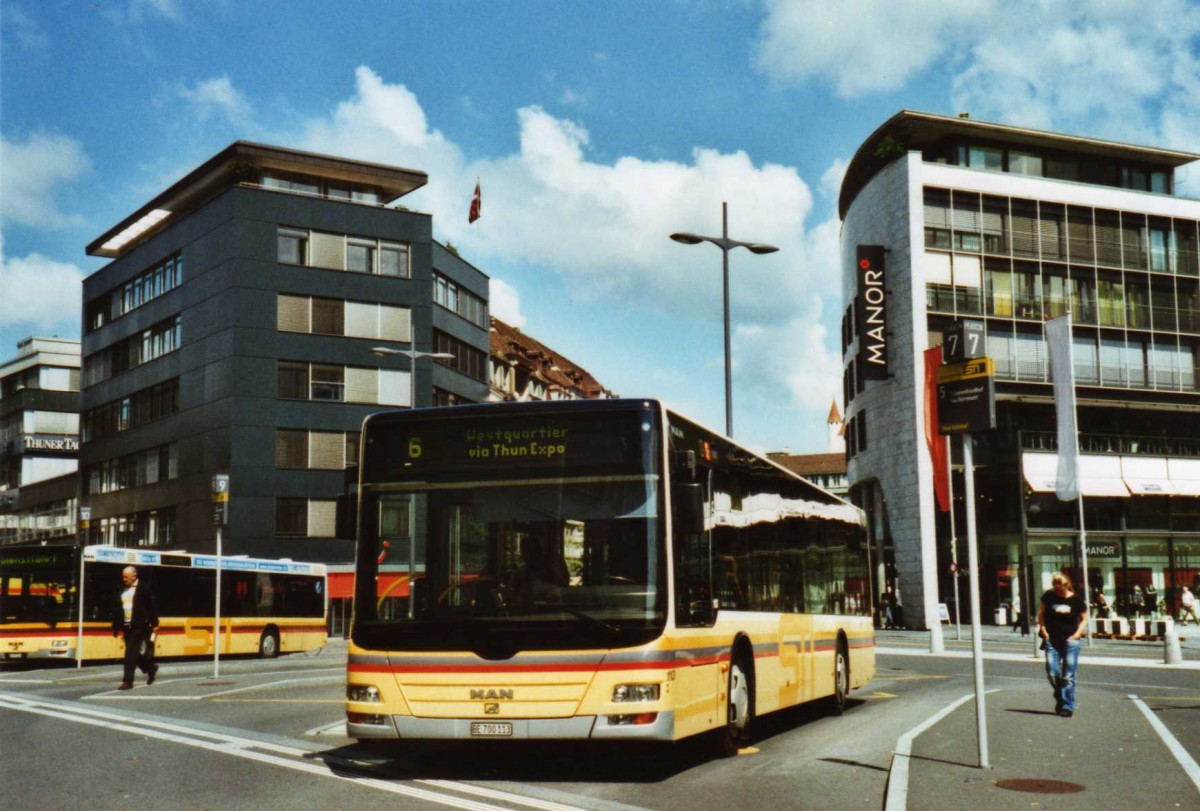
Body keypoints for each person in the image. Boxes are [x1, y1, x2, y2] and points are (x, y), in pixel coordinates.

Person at [1038, 572, 1088, 718]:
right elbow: (1041, 613)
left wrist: (1078, 634)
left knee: (1068, 676)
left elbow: (1084, 618)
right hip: (1052, 639)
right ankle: (1061, 695)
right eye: (1055, 587)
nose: (1057, 591)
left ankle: (1067, 705)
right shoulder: (1048, 596)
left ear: (1066, 585)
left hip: (1070, 640)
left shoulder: (1076, 600)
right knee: (1052, 673)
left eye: (1060, 588)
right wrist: (1043, 629)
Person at [111, 565, 159, 690]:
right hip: (126, 626)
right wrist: (115, 626)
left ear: (134, 575)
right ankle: (150, 668)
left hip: (139, 626)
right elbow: (118, 609)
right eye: (123, 577)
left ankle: (127, 681)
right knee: (134, 654)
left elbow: (151, 607)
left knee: (129, 654)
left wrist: (155, 624)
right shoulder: (122, 589)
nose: (124, 579)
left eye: (126, 577)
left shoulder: (143, 588)